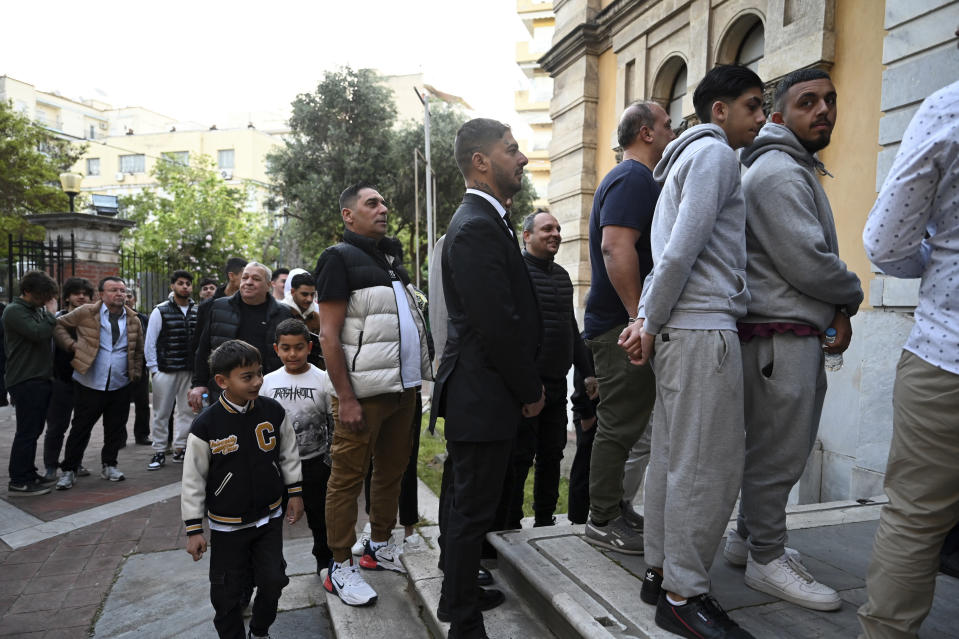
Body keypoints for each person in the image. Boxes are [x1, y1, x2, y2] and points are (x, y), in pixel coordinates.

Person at [620, 64, 766, 639]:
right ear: (719, 110)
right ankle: (684, 593)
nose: (761, 116)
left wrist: (649, 320)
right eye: (753, 105)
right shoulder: (715, 157)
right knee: (706, 467)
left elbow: (670, 258)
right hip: (703, 331)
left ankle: (660, 572)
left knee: (674, 460)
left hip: (685, 330)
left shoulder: (678, 161)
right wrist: (648, 321)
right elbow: (680, 253)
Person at [730, 68, 863, 611]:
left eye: (830, 100)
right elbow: (807, 260)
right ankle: (767, 558)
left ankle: (748, 541)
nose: (824, 110)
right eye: (808, 102)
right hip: (780, 334)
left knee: (771, 447)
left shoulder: (788, 166)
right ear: (779, 117)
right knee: (781, 453)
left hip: (782, 332)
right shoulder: (780, 173)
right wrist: (849, 295)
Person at [430, 118, 543, 639]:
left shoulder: (487, 220)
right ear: (482, 161)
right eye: (512, 150)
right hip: (483, 393)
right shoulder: (476, 224)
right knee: (472, 508)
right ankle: (462, 621)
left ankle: (462, 592)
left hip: (482, 392)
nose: (521, 159)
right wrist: (530, 389)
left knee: (465, 503)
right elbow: (497, 324)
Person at [858, 73, 959, 639]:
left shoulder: (949, 108)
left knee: (916, 519)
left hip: (948, 355)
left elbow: (886, 242)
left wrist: (939, 256)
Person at [314, 181, 432, 607]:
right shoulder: (337, 258)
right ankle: (339, 565)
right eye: (372, 203)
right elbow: (328, 336)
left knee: (392, 472)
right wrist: (345, 397)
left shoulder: (390, 261)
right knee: (346, 478)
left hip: (403, 390)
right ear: (349, 215)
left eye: (383, 201)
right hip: (361, 395)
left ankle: (378, 545)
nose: (383, 208)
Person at [582, 101, 675, 553]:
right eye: (666, 124)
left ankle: (614, 509)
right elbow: (615, 248)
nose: (673, 130)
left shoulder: (633, 178)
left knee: (629, 426)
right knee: (619, 428)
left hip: (621, 322)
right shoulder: (633, 177)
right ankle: (601, 520)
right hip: (621, 326)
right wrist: (641, 318)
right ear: (646, 132)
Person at [181, 339, 304, 639]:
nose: (257, 382)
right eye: (247, 376)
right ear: (222, 381)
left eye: (259, 373)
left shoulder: (272, 411)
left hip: (269, 519)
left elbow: (289, 452)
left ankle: (260, 631)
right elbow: (193, 479)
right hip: (228, 528)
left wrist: (295, 493)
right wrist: (194, 528)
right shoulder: (206, 425)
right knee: (227, 594)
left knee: (273, 580)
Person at [504, 211, 593, 528]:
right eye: (547, 229)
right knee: (521, 456)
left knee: (553, 454)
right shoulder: (516, 274)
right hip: (528, 386)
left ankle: (544, 517)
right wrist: (526, 383)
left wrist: (588, 370)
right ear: (526, 236)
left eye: (558, 228)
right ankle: (511, 522)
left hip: (557, 384)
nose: (555, 233)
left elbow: (570, 326)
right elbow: (511, 333)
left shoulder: (561, 276)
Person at [53, 276, 145, 489]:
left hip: (120, 383)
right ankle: (69, 470)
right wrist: (71, 345)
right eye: (114, 290)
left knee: (115, 428)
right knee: (80, 428)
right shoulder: (86, 312)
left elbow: (138, 350)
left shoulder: (133, 319)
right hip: (89, 381)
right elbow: (58, 325)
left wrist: (136, 374)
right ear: (102, 294)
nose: (120, 294)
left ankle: (109, 465)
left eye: (123, 290)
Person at [260, 318, 333, 574]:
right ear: (276, 348)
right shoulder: (266, 383)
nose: (292, 354)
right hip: (275, 467)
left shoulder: (323, 379)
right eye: (286, 347)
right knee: (270, 522)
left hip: (315, 463)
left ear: (309, 347)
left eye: (299, 347)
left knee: (320, 519)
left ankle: (326, 563)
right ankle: (271, 569)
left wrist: (330, 460)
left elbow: (332, 421)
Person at [189, 263, 293, 412]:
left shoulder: (283, 313)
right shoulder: (219, 307)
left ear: (268, 285)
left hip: (267, 391)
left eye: (256, 279)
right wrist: (199, 384)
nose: (248, 282)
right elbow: (204, 348)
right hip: (224, 390)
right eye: (245, 277)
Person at [3, 270, 59, 496]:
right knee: (26, 432)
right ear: (26, 292)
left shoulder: (33, 309)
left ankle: (28, 473)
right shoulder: (14, 311)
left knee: (34, 430)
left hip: (40, 378)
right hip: (25, 379)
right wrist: (51, 314)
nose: (44, 301)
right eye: (40, 296)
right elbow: (38, 333)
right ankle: (18, 480)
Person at [145, 270, 198, 469]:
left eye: (188, 284)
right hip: (165, 370)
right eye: (180, 283)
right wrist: (154, 370)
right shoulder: (160, 310)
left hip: (188, 370)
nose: (185, 286)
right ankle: (159, 451)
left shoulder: (196, 311)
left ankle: (180, 448)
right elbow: (150, 341)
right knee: (162, 412)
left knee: (187, 411)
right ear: (173, 286)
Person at [43, 277, 94, 482]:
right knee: (57, 426)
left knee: (81, 426)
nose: (81, 296)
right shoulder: (56, 319)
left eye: (85, 293)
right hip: (61, 379)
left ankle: (74, 462)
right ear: (67, 297)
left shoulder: (94, 320)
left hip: (86, 380)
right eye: (76, 293)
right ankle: (50, 465)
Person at [191, 257, 247, 355]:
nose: (248, 281)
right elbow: (199, 340)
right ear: (231, 276)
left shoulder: (248, 302)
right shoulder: (208, 306)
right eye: (245, 276)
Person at [125, 289, 152, 446]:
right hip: (120, 368)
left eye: (129, 296)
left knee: (142, 403)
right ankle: (118, 437)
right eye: (125, 296)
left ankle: (142, 435)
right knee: (119, 405)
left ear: (134, 299)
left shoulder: (142, 318)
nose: (127, 299)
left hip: (139, 366)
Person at [279, 270, 320, 334]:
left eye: (312, 294)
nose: (310, 299)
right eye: (304, 294)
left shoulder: (316, 317)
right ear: (293, 292)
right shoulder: (279, 314)